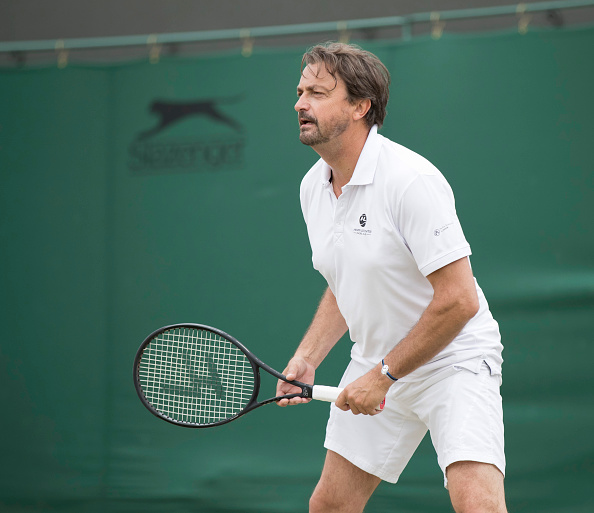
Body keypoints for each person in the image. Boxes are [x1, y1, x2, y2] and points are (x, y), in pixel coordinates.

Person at [276, 42, 507, 513]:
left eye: (318, 93)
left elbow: (459, 300)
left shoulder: (409, 180)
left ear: (361, 106)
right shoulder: (311, 188)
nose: (300, 103)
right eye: (301, 92)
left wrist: (384, 375)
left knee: (477, 506)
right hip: (376, 362)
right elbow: (349, 279)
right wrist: (308, 355)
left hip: (454, 360)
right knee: (330, 507)